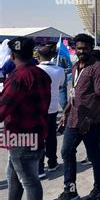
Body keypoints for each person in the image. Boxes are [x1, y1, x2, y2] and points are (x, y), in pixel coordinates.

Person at [47, 34, 100, 200]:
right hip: (74, 119)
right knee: (66, 152)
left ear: (90, 48)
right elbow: (74, 94)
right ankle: (71, 190)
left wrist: (88, 119)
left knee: (94, 155)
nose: (81, 51)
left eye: (85, 48)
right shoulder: (75, 67)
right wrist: (66, 113)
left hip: (91, 121)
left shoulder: (98, 68)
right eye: (79, 48)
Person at [0, 37, 51, 200]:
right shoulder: (41, 74)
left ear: (12, 55)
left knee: (29, 181)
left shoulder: (17, 77)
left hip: (21, 137)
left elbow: (2, 108)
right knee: (13, 176)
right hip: (37, 134)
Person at [37, 45, 66, 178]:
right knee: (51, 137)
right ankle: (53, 162)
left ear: (38, 56)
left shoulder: (35, 70)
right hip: (53, 107)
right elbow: (61, 85)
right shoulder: (59, 70)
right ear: (53, 56)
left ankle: (39, 167)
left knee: (38, 138)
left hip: (38, 109)